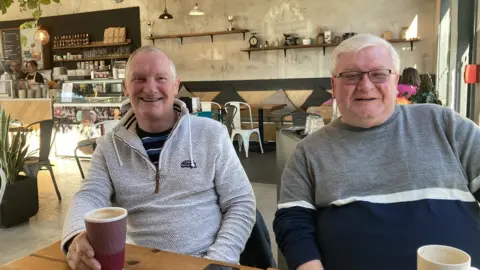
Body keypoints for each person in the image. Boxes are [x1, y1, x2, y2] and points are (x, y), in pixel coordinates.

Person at [273, 33, 480, 270]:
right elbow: (292, 222)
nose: (365, 85)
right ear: (334, 85)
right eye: (351, 76)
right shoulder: (308, 152)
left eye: (379, 74)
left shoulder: (444, 124)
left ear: (395, 80)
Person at [62, 46, 256, 270]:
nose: (150, 88)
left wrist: (218, 259)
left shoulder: (211, 134)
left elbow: (241, 202)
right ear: (126, 87)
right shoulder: (108, 146)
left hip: (205, 261)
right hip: (140, 263)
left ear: (176, 85)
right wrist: (75, 235)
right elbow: (89, 195)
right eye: (139, 79)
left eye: (161, 78)